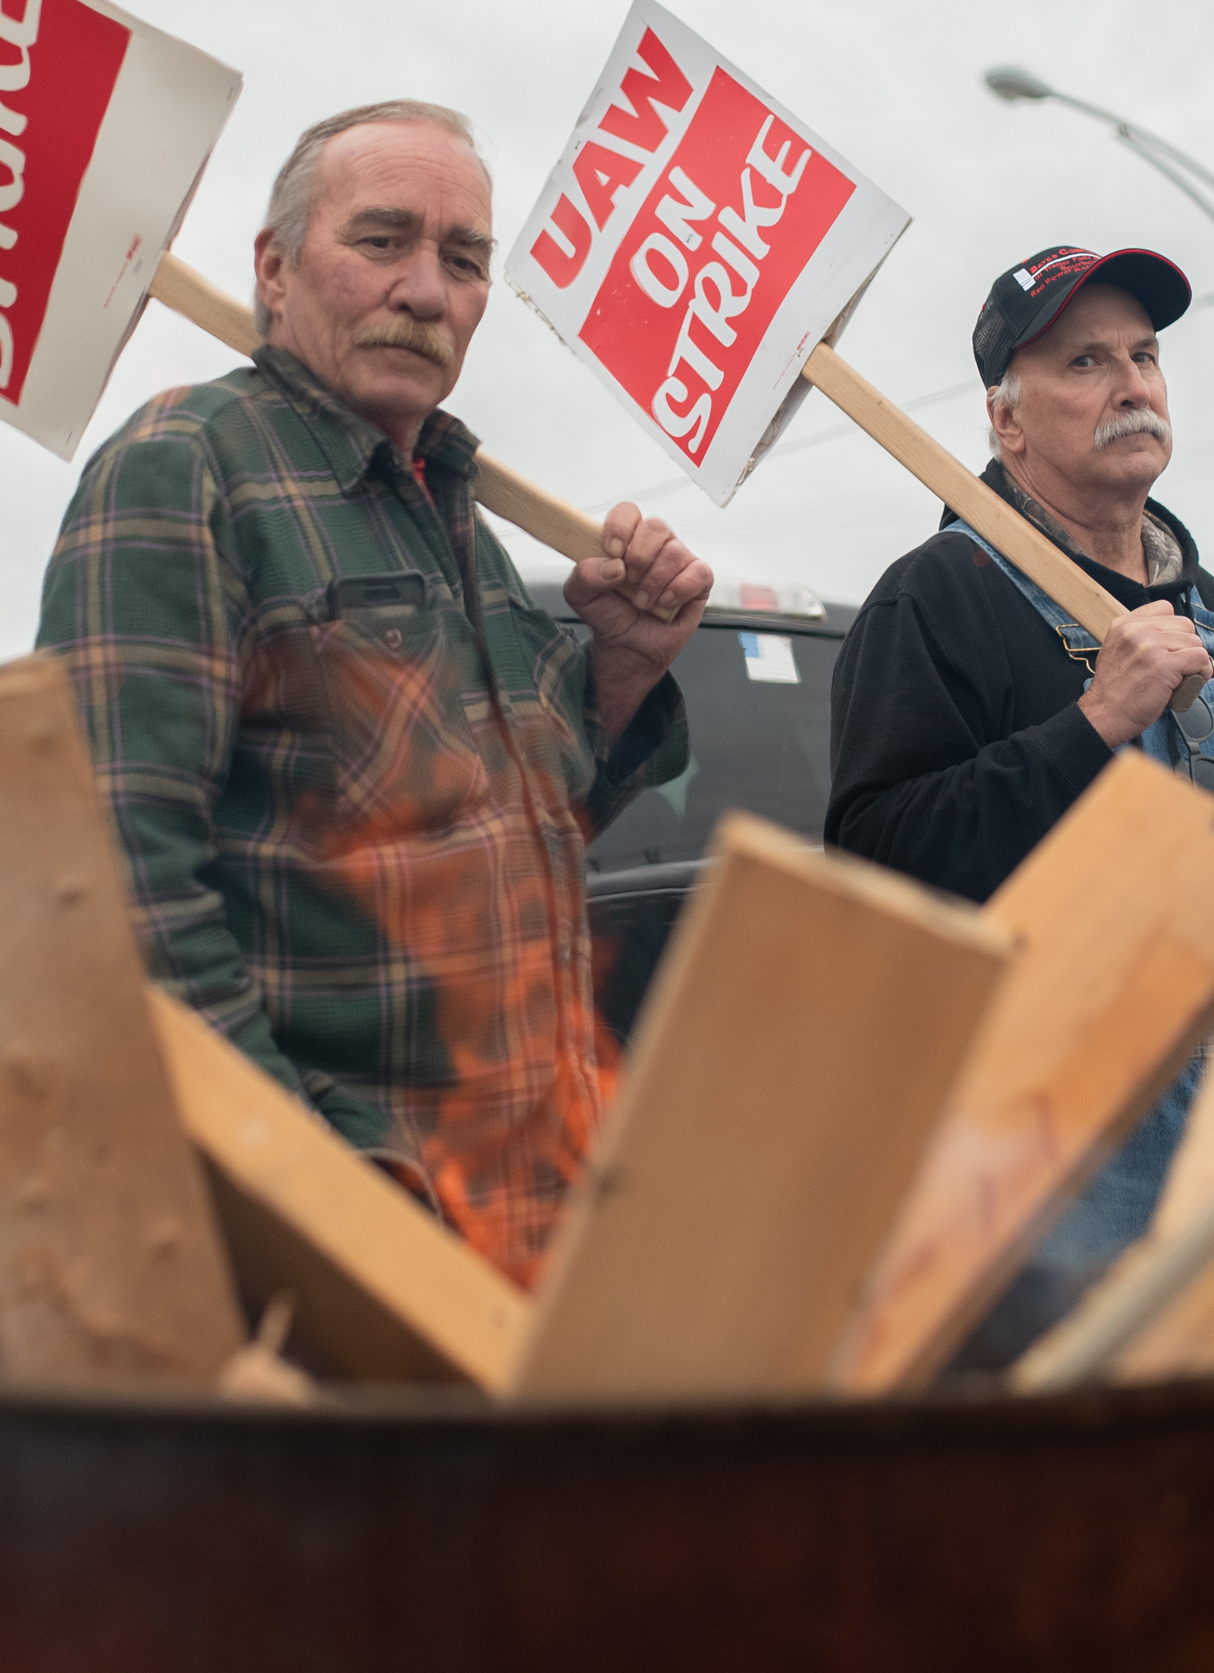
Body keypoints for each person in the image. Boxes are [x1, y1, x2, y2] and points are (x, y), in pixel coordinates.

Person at [38, 99, 713, 1286]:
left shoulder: (458, 514)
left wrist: (623, 664)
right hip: (347, 1240)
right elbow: (109, 885)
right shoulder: (185, 463)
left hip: (530, 1216)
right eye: (381, 241)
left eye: (463, 261)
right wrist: (312, 1189)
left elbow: (523, 833)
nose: (425, 290)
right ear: (274, 267)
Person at [826, 243, 1214, 1351]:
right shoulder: (939, 598)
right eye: (1084, 362)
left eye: (1144, 354)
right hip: (1032, 1166)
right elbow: (875, 858)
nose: (1131, 384)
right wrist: (1092, 725)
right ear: (1006, 421)